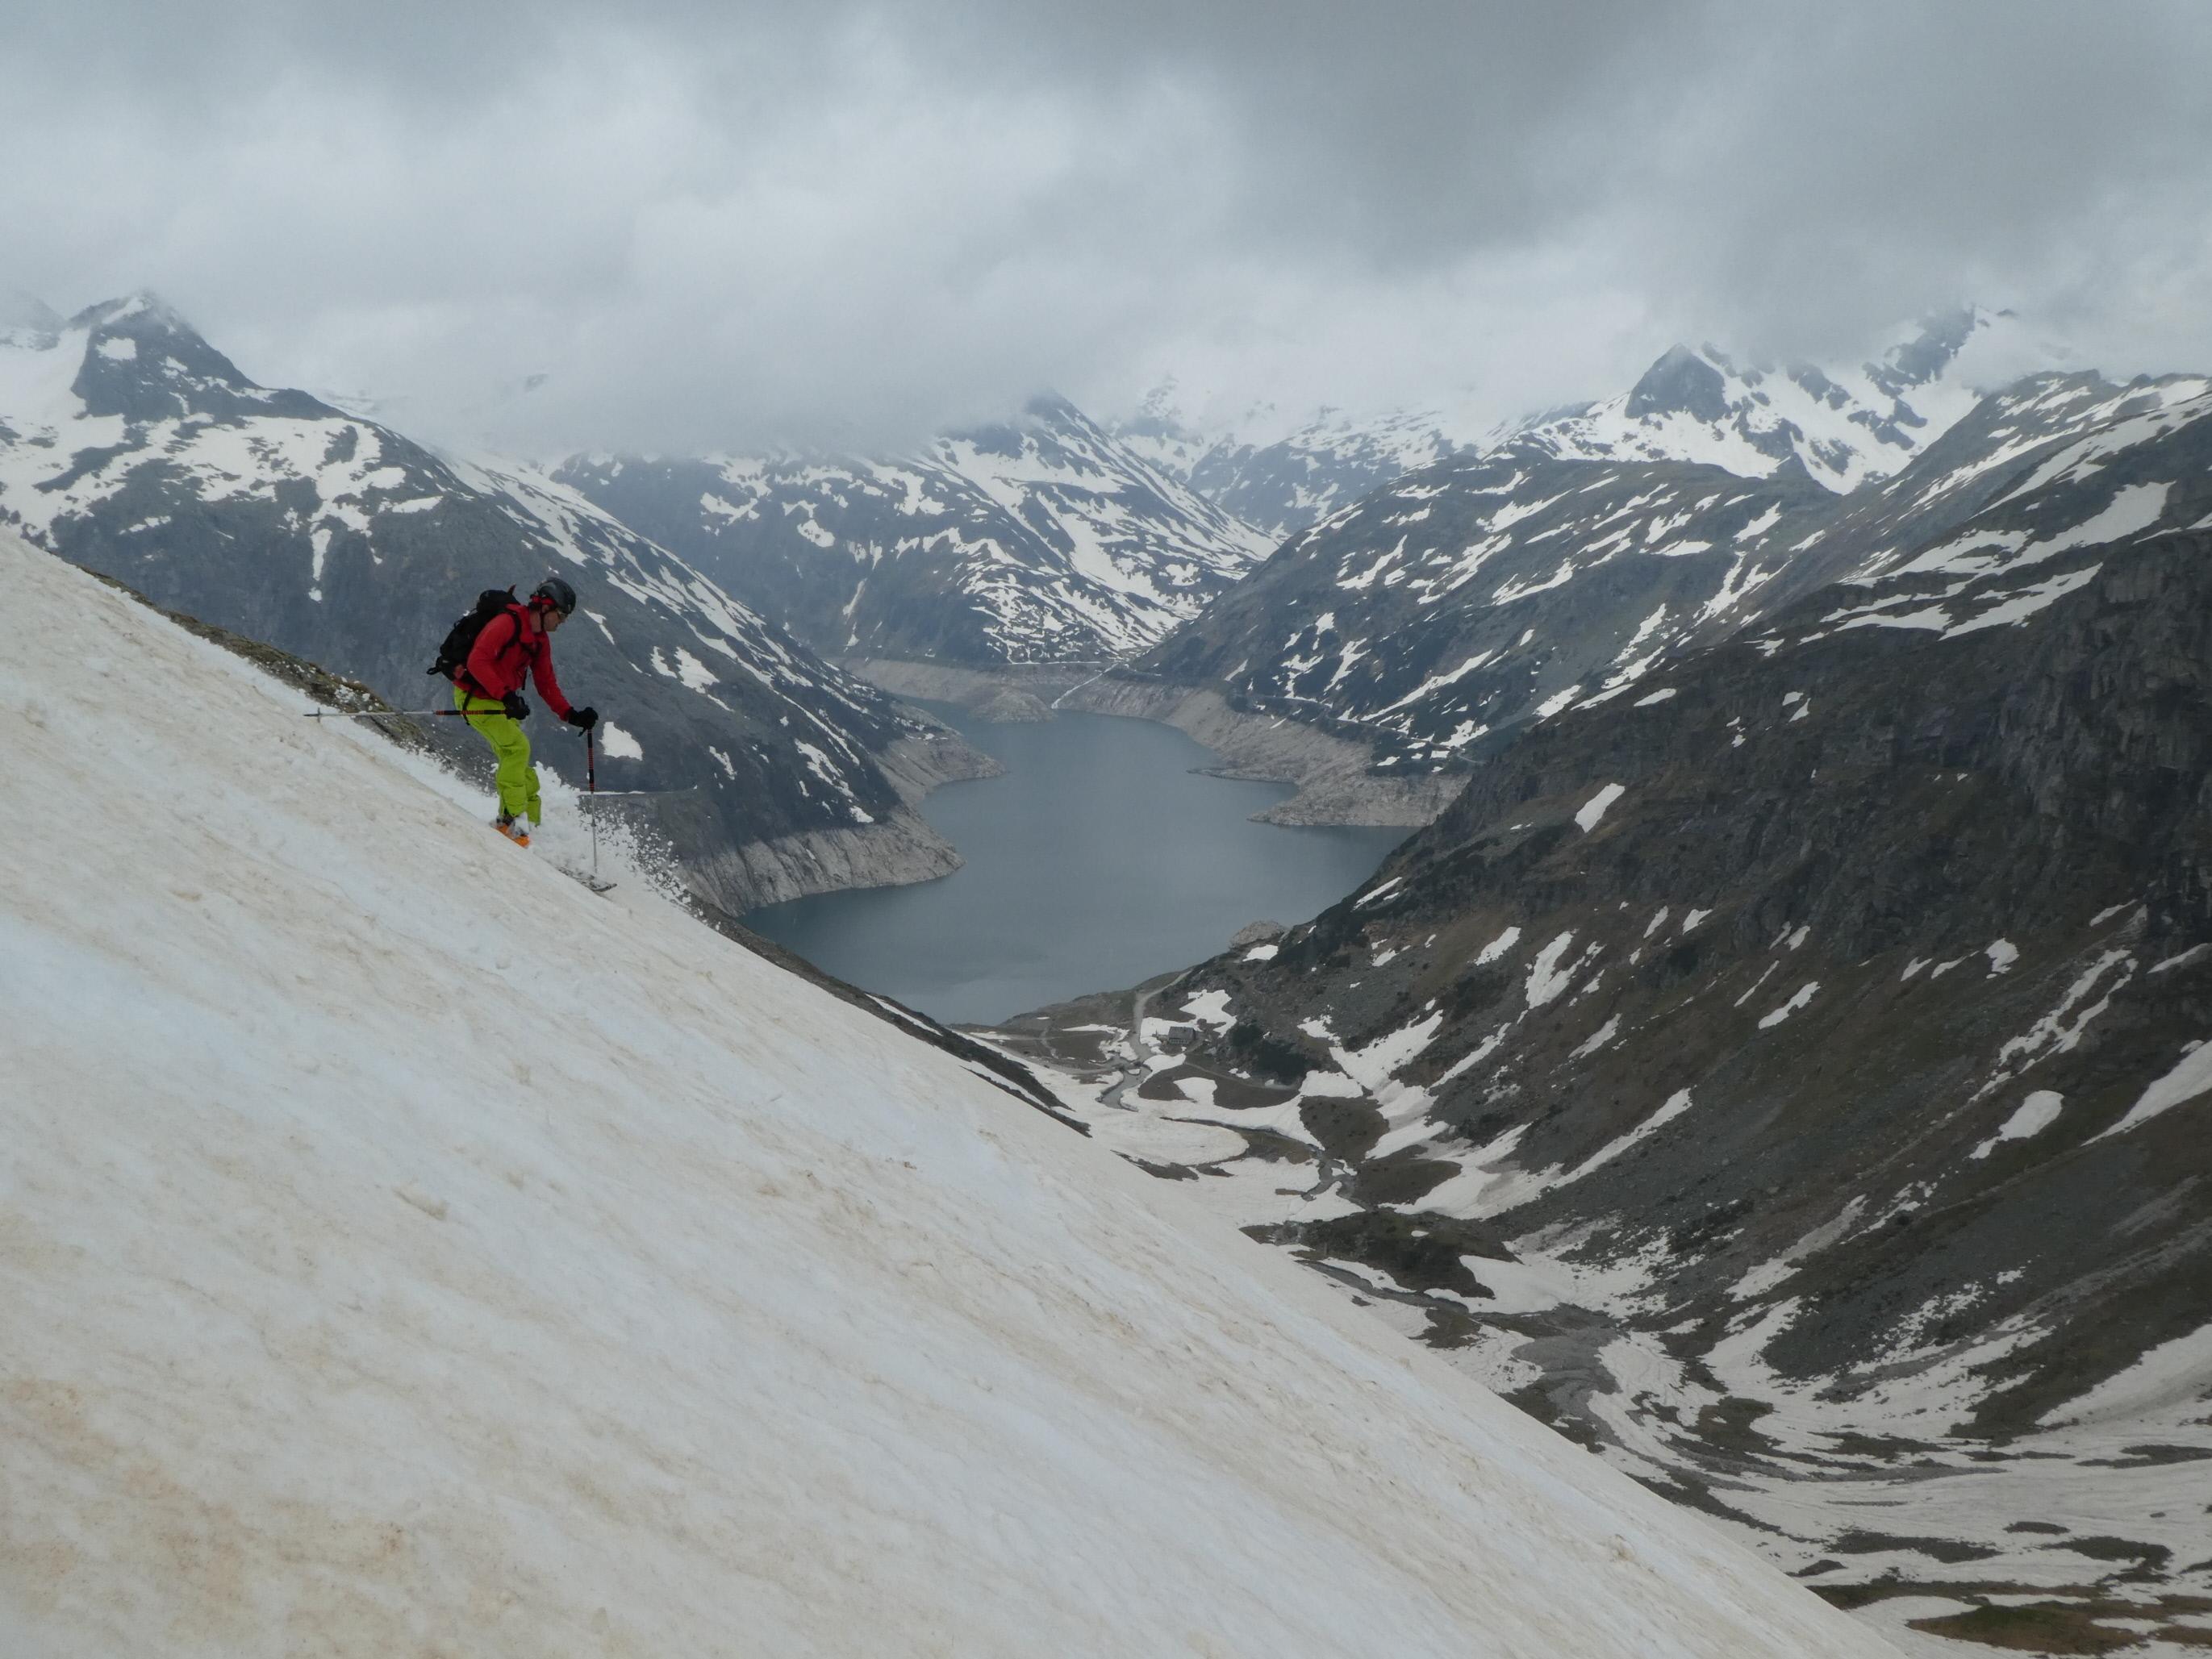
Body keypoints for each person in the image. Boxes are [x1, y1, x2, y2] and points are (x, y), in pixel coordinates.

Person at [453, 577, 599, 847]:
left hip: (498, 701)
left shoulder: (539, 641)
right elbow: (477, 661)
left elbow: (546, 683)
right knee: (516, 750)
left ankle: (532, 827)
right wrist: (506, 695)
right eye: (561, 615)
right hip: (474, 697)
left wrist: (571, 714)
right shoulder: (506, 623)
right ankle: (511, 823)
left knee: (522, 766)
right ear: (545, 607)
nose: (563, 621)